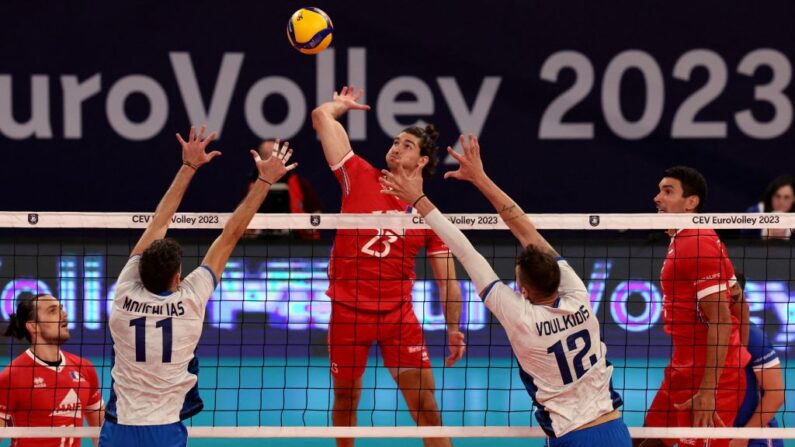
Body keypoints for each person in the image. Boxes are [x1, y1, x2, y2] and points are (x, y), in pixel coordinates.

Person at [378, 134, 630, 446]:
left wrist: (419, 200)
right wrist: (481, 177)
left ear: (523, 291)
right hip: (616, 429)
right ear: (557, 276)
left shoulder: (521, 319)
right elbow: (524, 229)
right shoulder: (579, 295)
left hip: (572, 438)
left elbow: (467, 253)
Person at [99, 125, 296, 447]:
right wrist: (264, 182)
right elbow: (230, 235)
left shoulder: (123, 295)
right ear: (177, 278)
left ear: (138, 269)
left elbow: (159, 222)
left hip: (119, 425)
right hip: (164, 429)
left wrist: (187, 166)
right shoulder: (190, 302)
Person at [311, 86, 465, 447]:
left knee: (426, 409)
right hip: (348, 315)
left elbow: (448, 281)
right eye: (396, 141)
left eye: (407, 146)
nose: (396, 147)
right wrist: (341, 105)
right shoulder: (358, 174)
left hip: (399, 319)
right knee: (346, 400)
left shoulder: (427, 215)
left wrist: (455, 328)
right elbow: (321, 117)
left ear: (422, 162)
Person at [639, 166, 751, 447]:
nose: (657, 198)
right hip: (682, 369)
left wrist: (714, 385)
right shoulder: (689, 238)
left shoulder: (697, 242)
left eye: (668, 191)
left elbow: (722, 321)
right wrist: (739, 355)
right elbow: (737, 299)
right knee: (645, 440)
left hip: (708, 381)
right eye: (659, 190)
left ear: (691, 202)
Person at [0, 293, 104, 447]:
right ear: (33, 326)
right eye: (52, 311)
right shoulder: (12, 376)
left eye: (61, 308)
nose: (64, 314)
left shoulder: (85, 369)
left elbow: (101, 435)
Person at [729, 274, 784, 447]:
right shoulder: (704, 333)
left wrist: (745, 435)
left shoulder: (753, 338)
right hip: (721, 432)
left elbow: (776, 395)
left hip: (754, 437)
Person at [244, 139, 322, 240]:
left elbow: (315, 213)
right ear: (260, 158)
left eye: (273, 154)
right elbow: (241, 221)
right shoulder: (251, 186)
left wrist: (309, 228)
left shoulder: (300, 184)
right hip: (258, 241)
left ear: (282, 157)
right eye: (265, 155)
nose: (270, 159)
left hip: (295, 241)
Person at [747, 175, 795, 240]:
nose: (781, 202)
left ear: (793, 199)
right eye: (777, 196)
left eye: (786, 197)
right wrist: (765, 232)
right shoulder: (755, 213)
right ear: (771, 196)